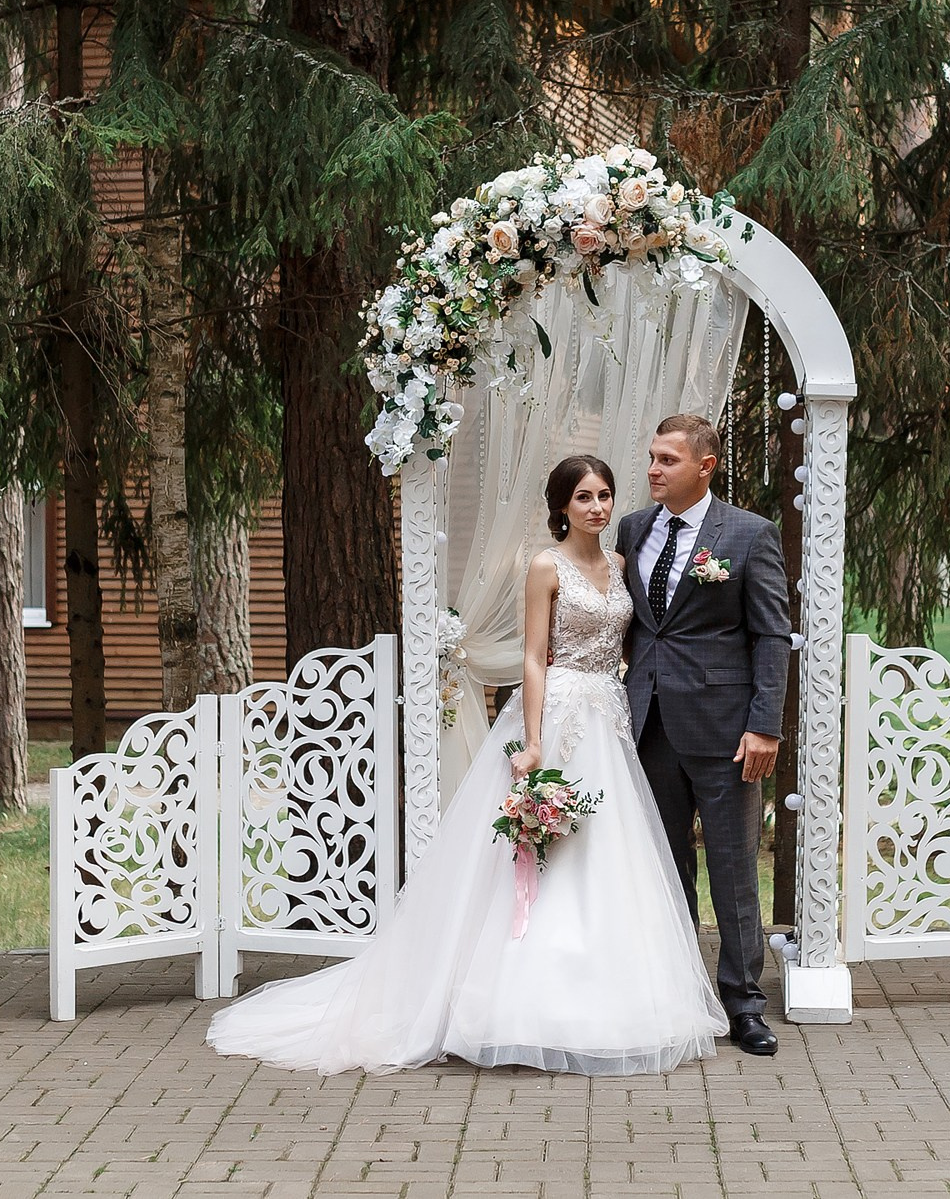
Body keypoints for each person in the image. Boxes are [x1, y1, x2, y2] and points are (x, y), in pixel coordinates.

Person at [208, 454, 727, 1074]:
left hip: (609, 719)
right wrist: (533, 743)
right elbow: (535, 657)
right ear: (562, 505)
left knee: (607, 851)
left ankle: (615, 994)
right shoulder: (545, 566)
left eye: (605, 495)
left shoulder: (619, 565)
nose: (597, 507)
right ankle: (513, 1002)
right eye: (584, 497)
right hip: (559, 715)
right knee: (542, 853)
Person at [615, 413, 791, 1057]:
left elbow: (771, 635)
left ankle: (743, 1003)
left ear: (705, 466)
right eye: (652, 458)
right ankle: (678, 992)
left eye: (667, 460)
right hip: (649, 722)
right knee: (665, 867)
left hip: (726, 728)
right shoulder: (634, 529)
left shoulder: (748, 535)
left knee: (734, 868)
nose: (653, 470)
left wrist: (765, 725)